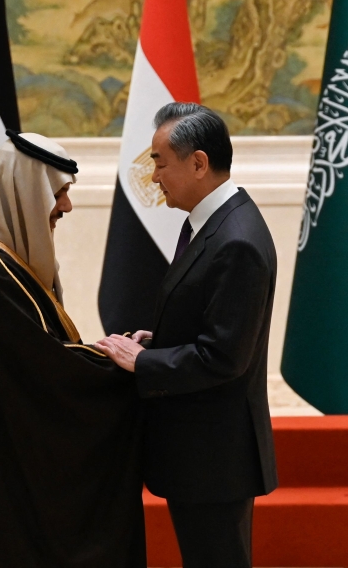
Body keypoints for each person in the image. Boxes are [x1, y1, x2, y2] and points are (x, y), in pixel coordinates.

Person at [0, 131, 146, 568]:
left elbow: (38, 355)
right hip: (9, 466)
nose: (66, 208)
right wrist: (120, 363)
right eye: (60, 193)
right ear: (25, 191)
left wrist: (102, 352)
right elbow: (48, 373)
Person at [96, 103, 278, 568]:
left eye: (159, 161)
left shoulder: (236, 240)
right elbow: (210, 322)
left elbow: (223, 356)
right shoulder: (209, 222)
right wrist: (157, 341)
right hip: (202, 453)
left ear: (198, 163)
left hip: (216, 459)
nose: (154, 176)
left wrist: (142, 363)